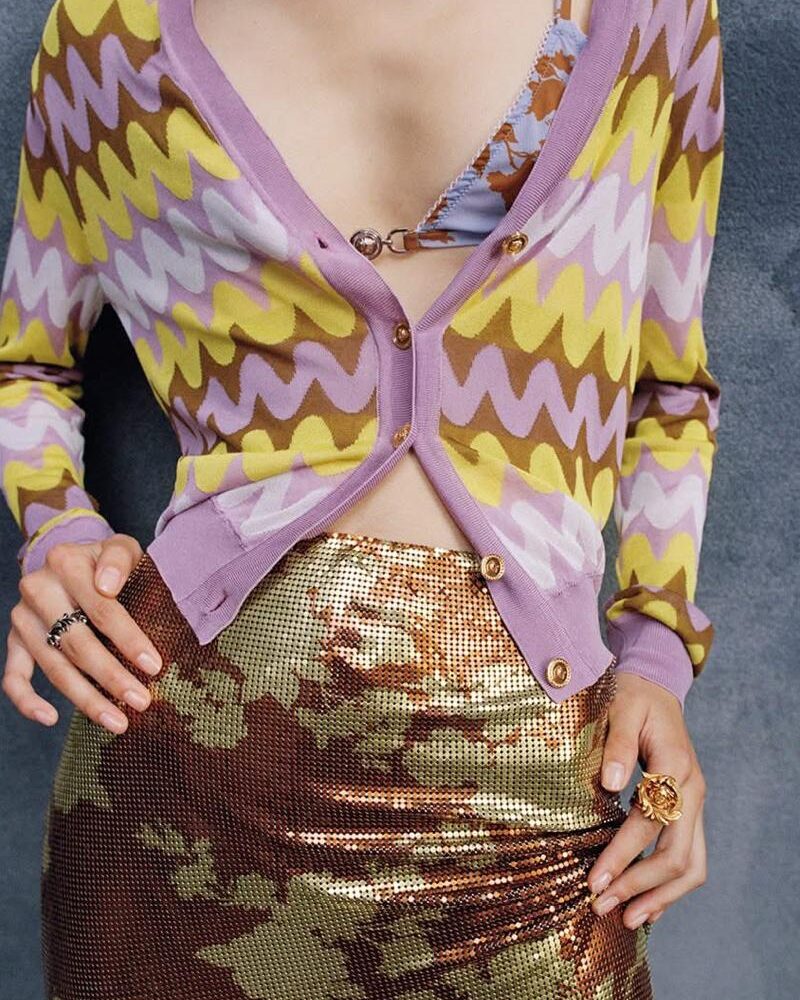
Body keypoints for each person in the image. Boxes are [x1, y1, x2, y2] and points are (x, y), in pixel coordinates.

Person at [0, 0, 724, 996]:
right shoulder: (109, 32)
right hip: (182, 767)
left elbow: (668, 388)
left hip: (537, 799)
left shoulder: (649, 19)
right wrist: (58, 532)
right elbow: (28, 363)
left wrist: (654, 655)